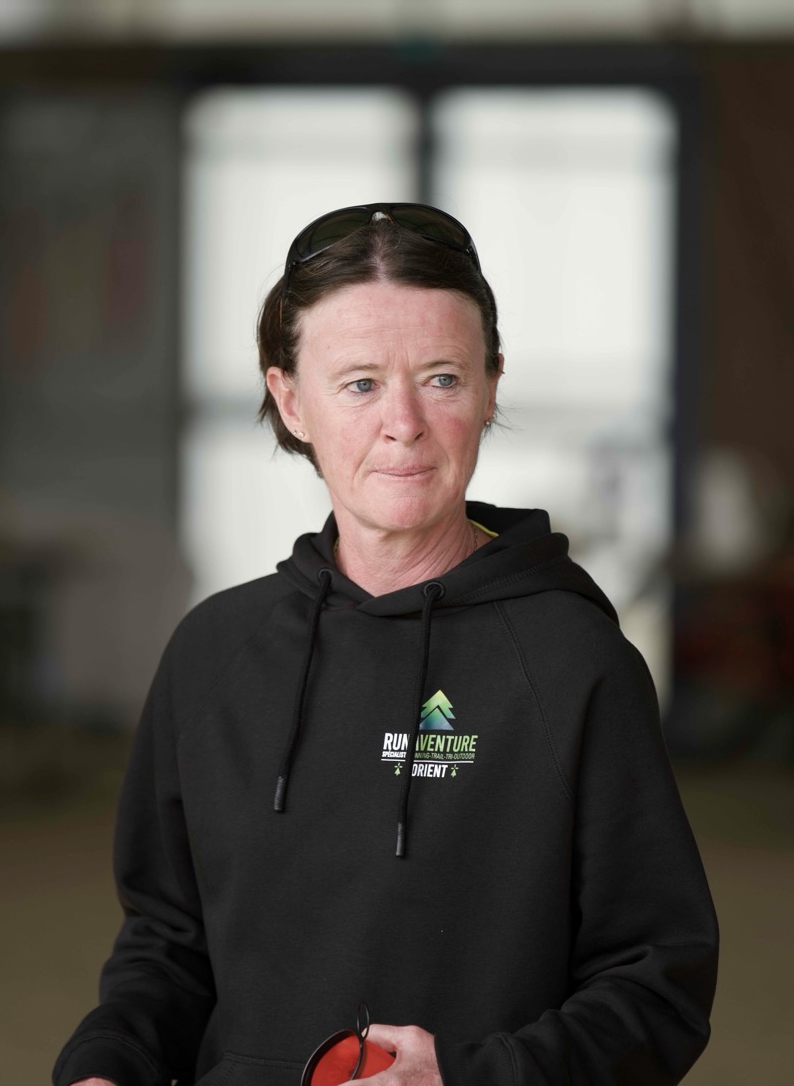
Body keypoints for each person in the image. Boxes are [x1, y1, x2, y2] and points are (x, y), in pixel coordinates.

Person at [53, 203, 718, 1086]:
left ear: (489, 388)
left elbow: (658, 985)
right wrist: (107, 1065)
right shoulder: (213, 653)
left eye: (441, 378)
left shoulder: (574, 663)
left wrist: (472, 1076)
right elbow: (167, 947)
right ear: (291, 400)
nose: (403, 422)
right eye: (359, 383)